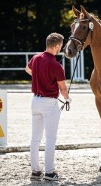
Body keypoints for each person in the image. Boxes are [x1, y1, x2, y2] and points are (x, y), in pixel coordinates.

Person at [25, 32, 71, 181]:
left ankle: (35, 171)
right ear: (57, 46)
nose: (61, 49)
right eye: (61, 46)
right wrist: (67, 98)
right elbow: (63, 88)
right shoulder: (56, 65)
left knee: (35, 139)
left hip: (35, 102)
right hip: (49, 104)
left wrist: (39, 77)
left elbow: (27, 69)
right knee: (50, 139)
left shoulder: (36, 58)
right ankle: (50, 172)